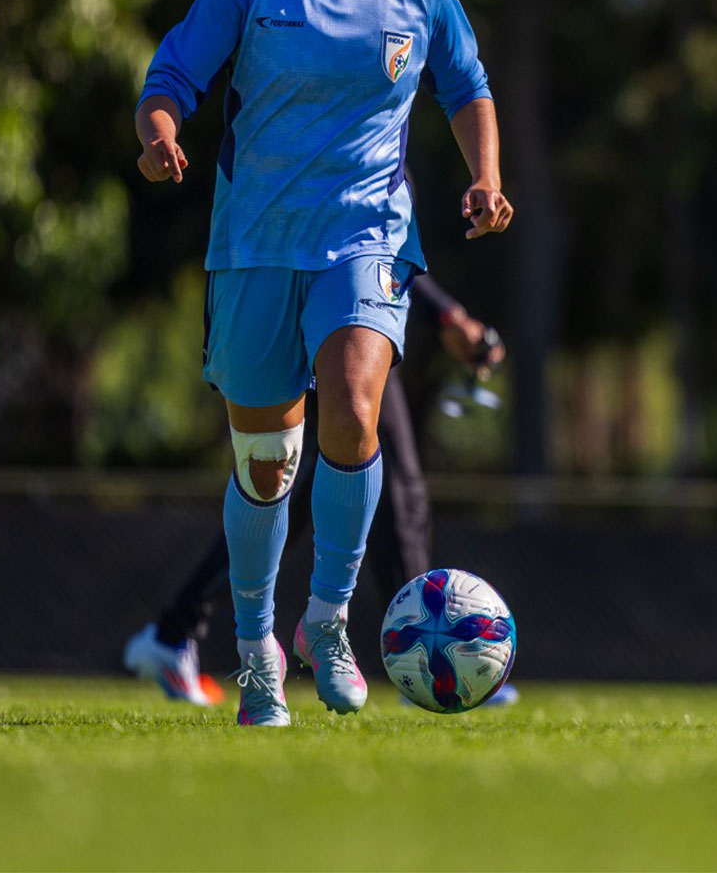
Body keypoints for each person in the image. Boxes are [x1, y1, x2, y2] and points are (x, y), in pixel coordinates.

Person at [133, 0, 512, 727]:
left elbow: (466, 82)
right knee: (268, 466)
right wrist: (160, 130)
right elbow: (173, 71)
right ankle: (256, 646)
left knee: (352, 411)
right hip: (256, 246)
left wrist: (484, 175)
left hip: (368, 235)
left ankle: (329, 620)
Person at [122, 272, 509, 707]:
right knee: (295, 478)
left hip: (354, 291)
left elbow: (384, 228)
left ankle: (177, 629)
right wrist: (448, 315)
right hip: (313, 284)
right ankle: (427, 650)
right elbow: (377, 223)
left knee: (317, 487)